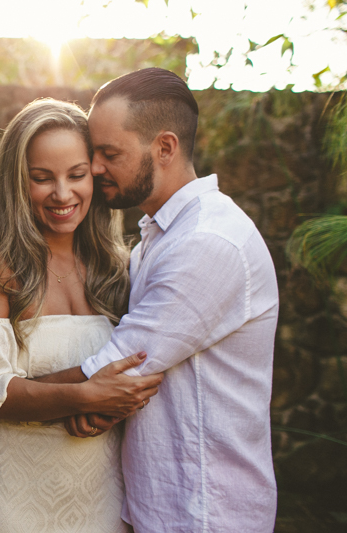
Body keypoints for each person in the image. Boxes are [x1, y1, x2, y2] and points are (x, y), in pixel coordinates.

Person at [0, 98, 163, 533]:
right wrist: (86, 397)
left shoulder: (120, 267)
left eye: (76, 175)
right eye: (42, 178)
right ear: (17, 183)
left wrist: (103, 404)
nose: (62, 193)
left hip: (104, 499)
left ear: (95, 175)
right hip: (11, 502)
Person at [70, 68, 279, 532]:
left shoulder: (207, 241)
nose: (95, 168)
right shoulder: (157, 238)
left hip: (207, 512)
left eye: (109, 153)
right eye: (94, 152)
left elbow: (115, 369)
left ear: (165, 147)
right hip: (162, 506)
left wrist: (9, 395)